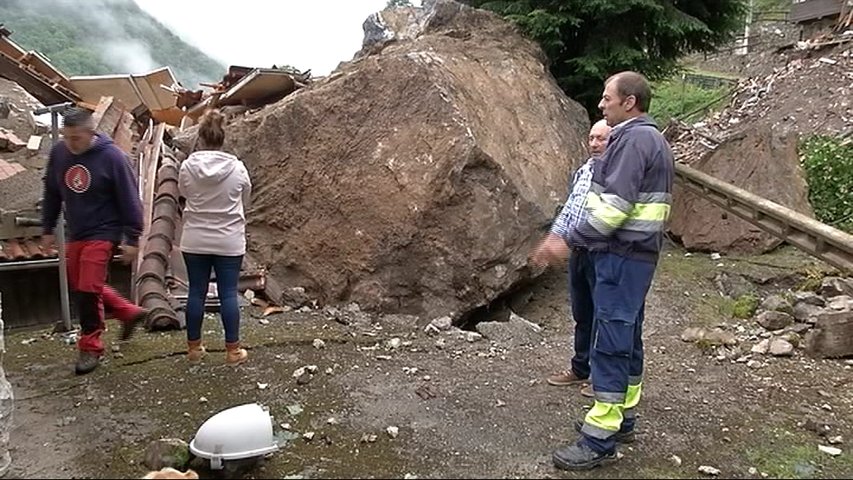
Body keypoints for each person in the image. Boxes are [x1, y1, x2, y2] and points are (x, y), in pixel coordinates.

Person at [534, 71, 674, 470]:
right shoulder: (651, 138)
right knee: (626, 336)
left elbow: (613, 209)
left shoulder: (632, 140)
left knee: (610, 342)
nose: (601, 104)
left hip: (620, 255)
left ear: (629, 102)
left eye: (607, 97)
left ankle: (598, 440)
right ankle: (624, 419)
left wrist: (567, 239)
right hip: (636, 256)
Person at [41, 107, 149, 375]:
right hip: (77, 230)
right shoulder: (60, 153)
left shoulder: (112, 157)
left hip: (105, 231)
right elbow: (53, 192)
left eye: (75, 138)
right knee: (80, 284)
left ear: (90, 133)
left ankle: (90, 346)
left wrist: (132, 237)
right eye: (66, 137)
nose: (70, 143)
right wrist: (47, 226)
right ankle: (127, 312)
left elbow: (130, 199)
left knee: (88, 289)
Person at [535, 120, 610, 397]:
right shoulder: (585, 170)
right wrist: (554, 237)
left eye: (601, 138)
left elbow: (605, 218)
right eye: (591, 138)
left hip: (601, 253)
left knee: (604, 315)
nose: (594, 144)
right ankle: (580, 368)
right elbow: (570, 209)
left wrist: (569, 241)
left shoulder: (616, 173)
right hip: (578, 251)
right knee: (582, 314)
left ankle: (603, 379)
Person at [178, 109, 251, 365]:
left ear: (200, 136)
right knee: (228, 293)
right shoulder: (238, 169)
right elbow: (246, 200)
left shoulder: (188, 167)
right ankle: (233, 352)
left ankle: (194, 349)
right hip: (229, 239)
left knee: (196, 292)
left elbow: (183, 193)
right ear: (223, 137)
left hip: (195, 239)